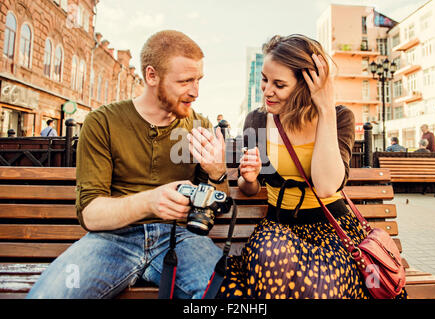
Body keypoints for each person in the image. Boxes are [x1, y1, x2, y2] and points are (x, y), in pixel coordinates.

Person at [27, 30, 228, 299]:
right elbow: (91, 213)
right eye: (185, 81)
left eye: (198, 80)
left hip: (179, 239)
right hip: (111, 238)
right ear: (151, 76)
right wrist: (149, 202)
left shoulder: (200, 126)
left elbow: (219, 202)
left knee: (225, 296)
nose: (195, 91)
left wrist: (217, 172)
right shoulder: (103, 122)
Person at [217, 34, 407, 299]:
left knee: (324, 284)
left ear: (306, 86)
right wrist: (249, 178)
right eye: (264, 79)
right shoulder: (257, 120)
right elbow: (249, 190)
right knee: (272, 258)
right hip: (278, 226)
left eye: (279, 84)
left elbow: (327, 185)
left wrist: (325, 108)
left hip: (333, 227)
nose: (267, 90)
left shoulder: (339, 117)